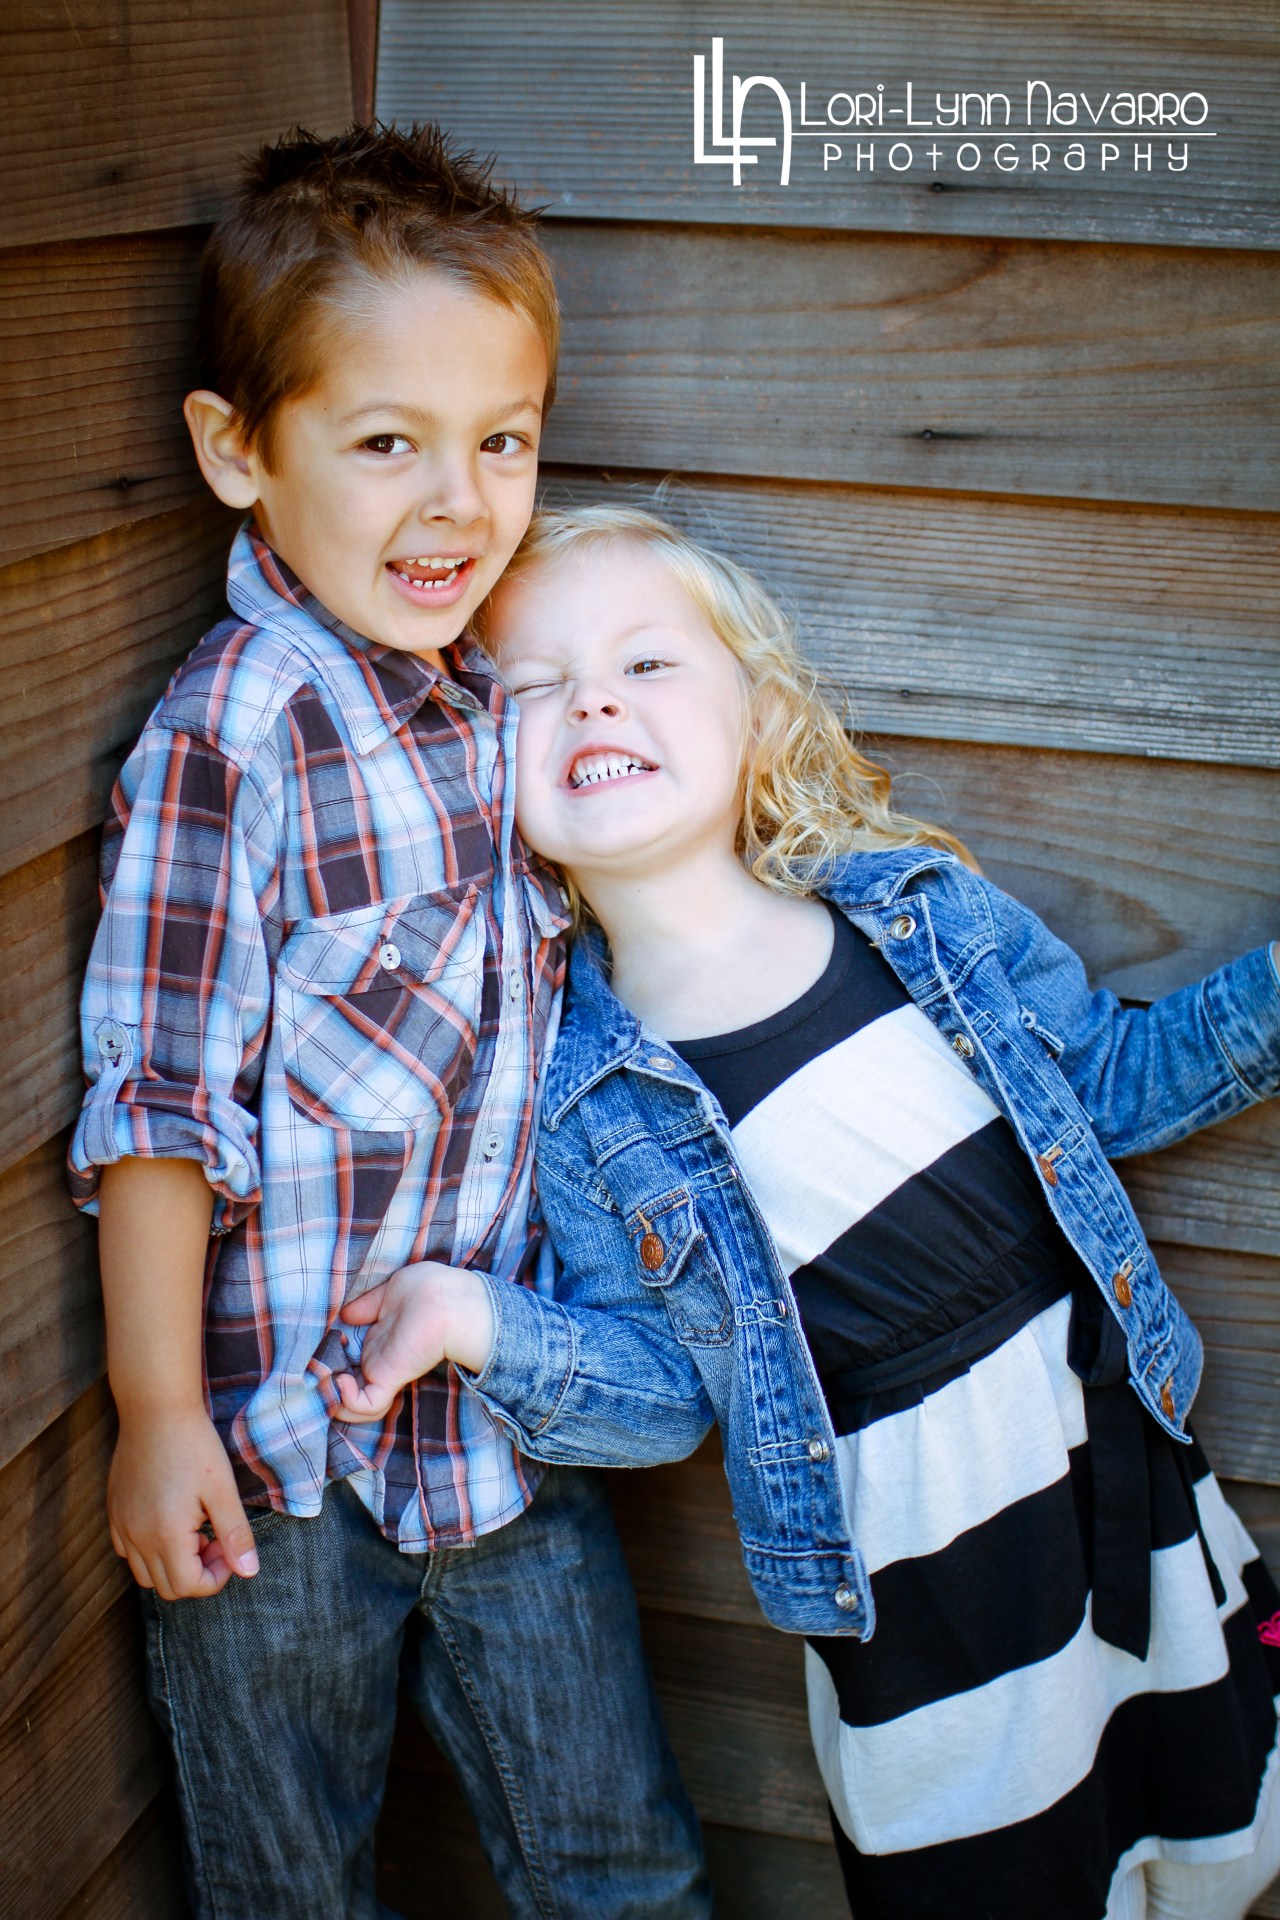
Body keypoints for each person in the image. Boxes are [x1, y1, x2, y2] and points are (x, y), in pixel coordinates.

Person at [335, 505, 1280, 1920]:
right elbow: (669, 1397)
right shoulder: (588, 1101)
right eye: (532, 686)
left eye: (647, 663)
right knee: (1000, 1877)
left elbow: (1113, 1082)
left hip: (1112, 1471)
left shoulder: (919, 919)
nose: (593, 701)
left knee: (1206, 1819)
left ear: (760, 714)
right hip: (919, 1584)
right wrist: (476, 1320)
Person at [70, 147, 710, 1920]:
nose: (457, 503)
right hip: (271, 1466)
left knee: (622, 1866)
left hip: (499, 1435)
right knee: (290, 1888)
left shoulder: (500, 685)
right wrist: (156, 1413)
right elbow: (161, 1097)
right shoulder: (240, 734)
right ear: (237, 452)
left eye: (502, 439)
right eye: (385, 443)